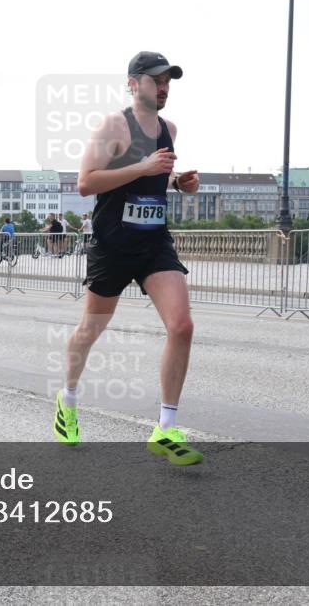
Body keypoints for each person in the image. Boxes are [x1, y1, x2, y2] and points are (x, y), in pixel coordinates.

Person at [55, 51, 203, 466]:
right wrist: (141, 167)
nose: (163, 87)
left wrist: (178, 182)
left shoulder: (169, 129)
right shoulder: (113, 126)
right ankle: (67, 399)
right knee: (91, 328)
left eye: (168, 81)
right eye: (156, 80)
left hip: (153, 243)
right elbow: (86, 183)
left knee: (182, 325)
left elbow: (159, 175)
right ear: (132, 83)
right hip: (112, 243)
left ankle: (166, 428)